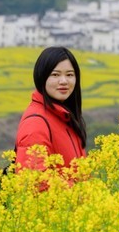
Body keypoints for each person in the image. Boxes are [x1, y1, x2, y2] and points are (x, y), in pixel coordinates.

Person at [15, 45, 87, 174]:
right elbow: (34, 182)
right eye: (55, 75)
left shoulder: (66, 117)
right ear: (41, 77)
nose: (64, 81)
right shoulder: (36, 123)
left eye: (70, 75)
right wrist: (79, 191)